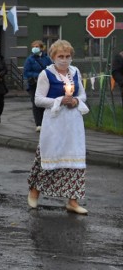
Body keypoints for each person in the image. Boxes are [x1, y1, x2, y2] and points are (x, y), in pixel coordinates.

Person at [27, 39, 90, 214]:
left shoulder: (75, 71)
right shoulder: (46, 74)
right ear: (53, 57)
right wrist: (59, 100)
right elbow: (38, 99)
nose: (64, 59)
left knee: (74, 160)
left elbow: (82, 95)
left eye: (67, 56)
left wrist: (76, 100)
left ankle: (73, 200)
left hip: (73, 122)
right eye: (60, 56)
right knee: (49, 157)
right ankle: (34, 191)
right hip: (54, 121)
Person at [23, 40, 52, 132]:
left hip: (45, 84)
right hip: (34, 84)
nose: (35, 48)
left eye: (37, 46)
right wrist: (38, 75)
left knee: (44, 103)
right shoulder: (30, 59)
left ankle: (45, 122)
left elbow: (51, 69)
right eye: (33, 46)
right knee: (36, 103)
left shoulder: (47, 58)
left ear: (41, 48)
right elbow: (26, 72)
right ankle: (38, 124)